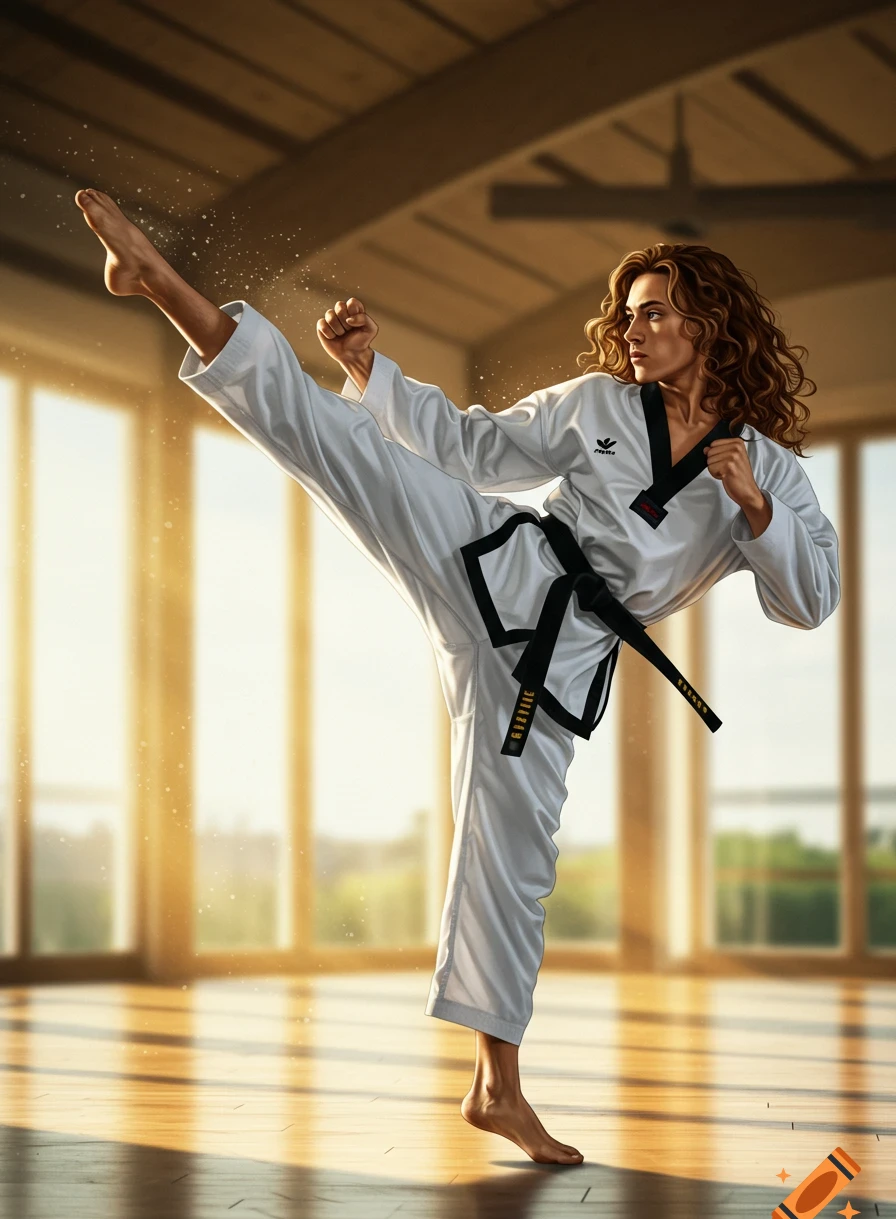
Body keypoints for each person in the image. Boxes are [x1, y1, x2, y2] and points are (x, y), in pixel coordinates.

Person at [74, 188, 840, 1165]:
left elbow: (810, 599)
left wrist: (755, 510)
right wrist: (369, 373)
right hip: (496, 562)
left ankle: (496, 1088)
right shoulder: (598, 403)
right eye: (628, 314)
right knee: (345, 445)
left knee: (511, 856)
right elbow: (476, 448)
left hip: (556, 663)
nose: (631, 330)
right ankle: (162, 284)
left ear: (708, 322)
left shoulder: (768, 471)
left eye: (653, 312)